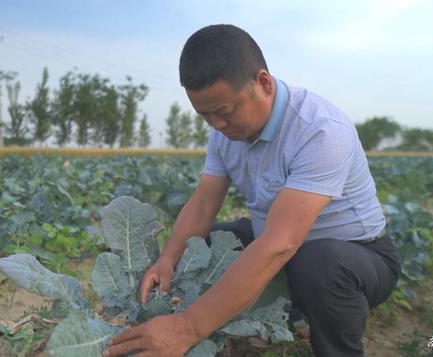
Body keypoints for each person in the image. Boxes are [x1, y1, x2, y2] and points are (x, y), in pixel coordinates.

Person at [103, 24, 401, 357]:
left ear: (263, 83)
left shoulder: (320, 129)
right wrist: (168, 260)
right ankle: (286, 314)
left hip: (357, 258)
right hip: (280, 247)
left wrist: (188, 327)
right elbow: (202, 205)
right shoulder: (224, 132)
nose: (216, 125)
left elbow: (279, 244)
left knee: (318, 263)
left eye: (223, 112)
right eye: (205, 116)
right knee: (204, 244)